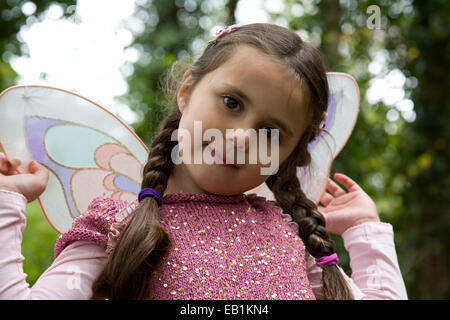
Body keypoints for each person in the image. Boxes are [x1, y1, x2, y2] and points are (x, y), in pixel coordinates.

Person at [0, 23, 407, 300]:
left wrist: (364, 230)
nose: (241, 136)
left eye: (272, 130)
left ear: (290, 152)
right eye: (231, 103)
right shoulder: (119, 227)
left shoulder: (290, 236)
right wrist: (6, 202)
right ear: (188, 90)